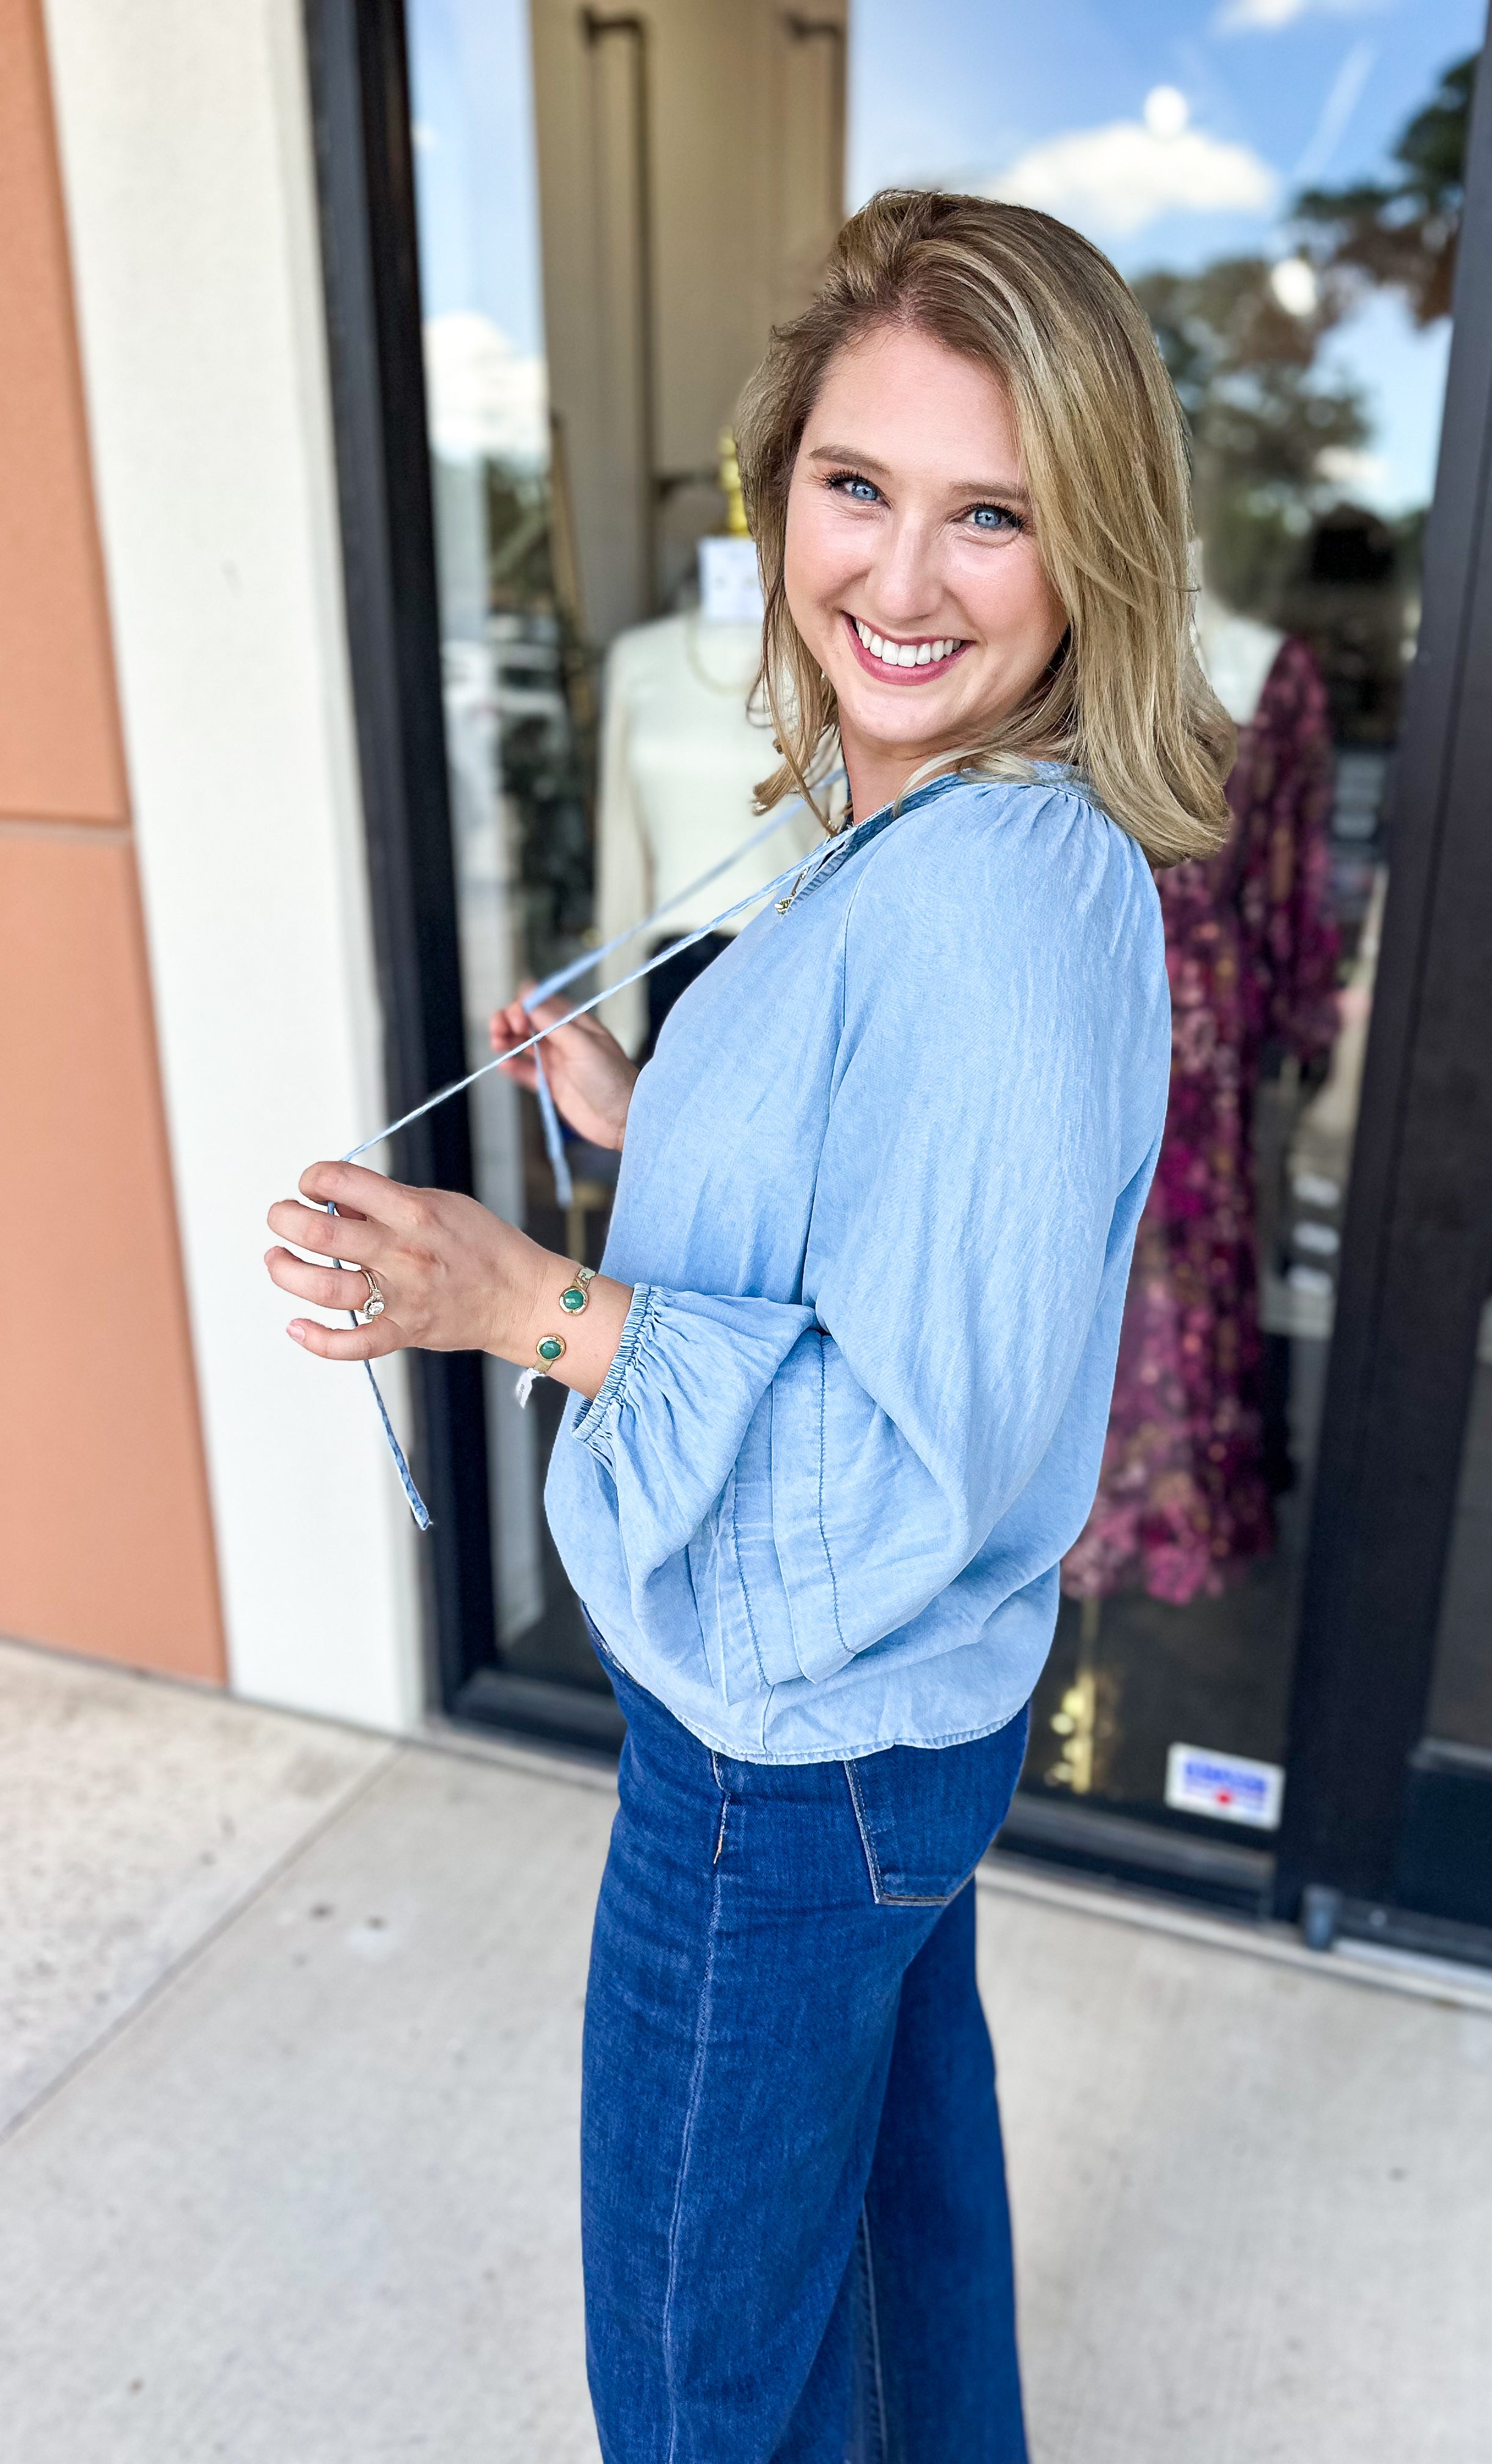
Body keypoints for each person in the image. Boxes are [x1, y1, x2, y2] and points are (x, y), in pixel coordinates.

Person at [264, 188, 1233, 2463]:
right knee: (903, 2278)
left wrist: (530, 1302)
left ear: (1094, 545)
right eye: (857, 485)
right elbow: (880, 1241)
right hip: (887, 1753)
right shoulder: (950, 828)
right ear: (777, 479)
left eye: (990, 514)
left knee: (709, 2379)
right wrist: (662, 1118)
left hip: (786, 1778)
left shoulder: (995, 911)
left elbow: (902, 1478)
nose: (900, 580)